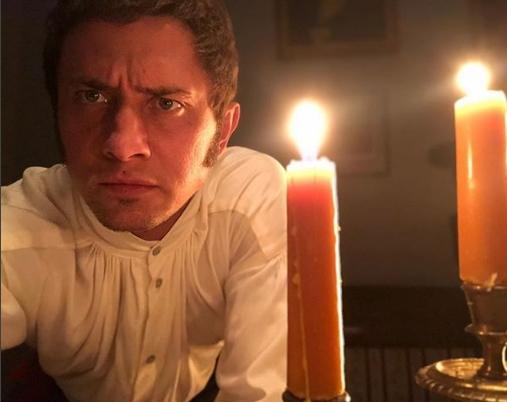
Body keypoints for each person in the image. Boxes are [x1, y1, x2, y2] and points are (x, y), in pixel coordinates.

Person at [0, 1, 287, 401]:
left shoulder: (247, 199)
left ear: (222, 131)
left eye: (166, 104)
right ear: (58, 113)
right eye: (91, 96)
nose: (122, 146)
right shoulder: (20, 228)